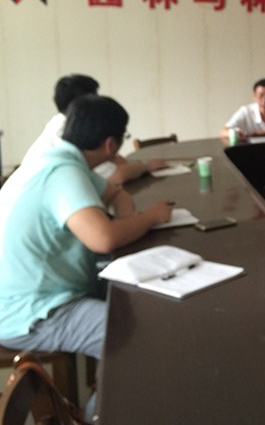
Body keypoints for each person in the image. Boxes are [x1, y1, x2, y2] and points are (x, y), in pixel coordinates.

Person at [0, 95, 173, 421]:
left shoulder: (56, 159)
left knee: (134, 301)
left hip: (32, 295)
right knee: (135, 339)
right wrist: (150, 217)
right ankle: (99, 416)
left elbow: (115, 191)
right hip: (31, 311)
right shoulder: (62, 173)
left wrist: (125, 220)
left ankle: (104, 387)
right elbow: (104, 238)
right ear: (110, 144)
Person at [21, 74, 166, 184]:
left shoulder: (65, 122)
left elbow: (115, 160)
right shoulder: (68, 133)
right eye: (95, 97)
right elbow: (115, 176)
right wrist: (144, 167)